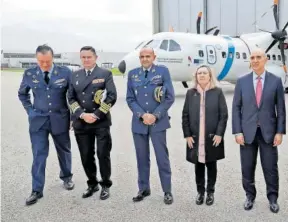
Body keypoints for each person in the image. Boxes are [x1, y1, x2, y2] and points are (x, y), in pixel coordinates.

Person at [18, 44, 74, 206]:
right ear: (36, 59)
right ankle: (36, 189)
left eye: (47, 61)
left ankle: (67, 177)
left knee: (64, 150)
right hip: (38, 121)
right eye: (41, 61)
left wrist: (73, 116)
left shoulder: (65, 73)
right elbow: (22, 94)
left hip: (60, 118)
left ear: (53, 58)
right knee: (39, 154)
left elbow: (72, 96)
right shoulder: (29, 73)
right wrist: (30, 111)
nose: (44, 65)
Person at [232, 48, 286, 212]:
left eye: (258, 57)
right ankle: (250, 196)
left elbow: (281, 109)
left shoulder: (276, 81)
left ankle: (273, 198)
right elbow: (236, 108)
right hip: (247, 133)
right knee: (247, 167)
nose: (255, 60)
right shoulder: (242, 82)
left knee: (270, 168)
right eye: (252, 57)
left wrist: (279, 132)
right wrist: (237, 131)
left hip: (268, 133)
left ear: (265, 59)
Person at [126, 47, 175, 205]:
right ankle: (143, 188)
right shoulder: (133, 74)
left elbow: (169, 97)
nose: (145, 59)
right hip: (139, 123)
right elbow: (130, 99)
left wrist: (155, 115)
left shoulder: (162, 72)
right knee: (141, 158)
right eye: (142, 56)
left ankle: (167, 191)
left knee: (162, 158)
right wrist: (142, 115)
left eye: (148, 56)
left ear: (154, 57)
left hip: (158, 122)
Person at [68, 46, 117, 200]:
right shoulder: (74, 75)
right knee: (86, 155)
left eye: (89, 57)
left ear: (96, 58)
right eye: (83, 57)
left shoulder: (105, 74)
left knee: (103, 154)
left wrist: (95, 115)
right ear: (80, 58)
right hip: (81, 122)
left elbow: (111, 96)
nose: (86, 60)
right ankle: (92, 183)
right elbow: (71, 98)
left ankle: (105, 185)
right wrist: (81, 114)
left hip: (100, 121)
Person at [182, 65, 228, 206]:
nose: (201, 75)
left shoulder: (218, 92)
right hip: (196, 136)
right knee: (198, 165)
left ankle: (210, 192)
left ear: (210, 76)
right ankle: (200, 192)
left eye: (204, 73)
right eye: (199, 73)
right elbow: (185, 115)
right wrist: (187, 135)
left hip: (212, 136)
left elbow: (223, 115)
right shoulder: (191, 93)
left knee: (211, 164)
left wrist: (220, 134)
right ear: (196, 76)